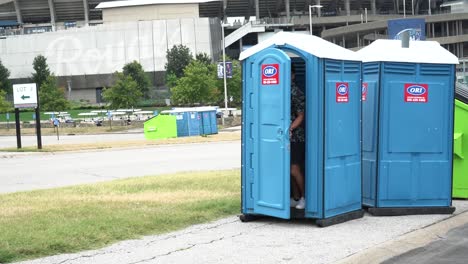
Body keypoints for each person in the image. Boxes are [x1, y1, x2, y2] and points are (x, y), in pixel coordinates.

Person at [289, 65, 306, 210]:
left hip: (296, 137)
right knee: (288, 169)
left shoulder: (296, 92)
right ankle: (295, 197)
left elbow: (301, 116)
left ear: (293, 76)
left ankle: (304, 197)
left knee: (294, 169)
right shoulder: (279, 91)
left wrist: (290, 129)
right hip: (283, 137)